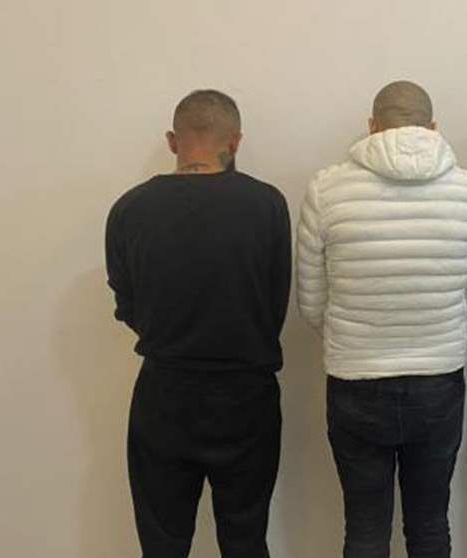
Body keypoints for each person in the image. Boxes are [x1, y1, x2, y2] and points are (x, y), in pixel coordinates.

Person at [296, 80, 467, 558]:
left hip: (355, 381)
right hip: (438, 381)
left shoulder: (327, 190)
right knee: (429, 525)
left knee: (365, 529)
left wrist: (355, 337)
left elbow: (311, 301)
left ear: (372, 127)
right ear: (432, 127)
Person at [106, 90, 291, 558]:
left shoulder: (129, 209)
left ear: (173, 141)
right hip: (247, 395)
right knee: (246, 540)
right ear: (236, 141)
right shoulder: (267, 205)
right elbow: (274, 304)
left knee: (163, 544)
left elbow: (128, 306)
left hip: (164, 395)